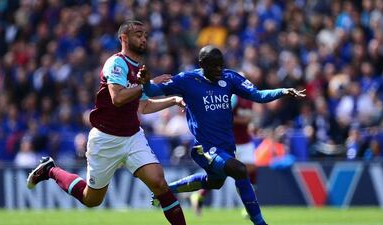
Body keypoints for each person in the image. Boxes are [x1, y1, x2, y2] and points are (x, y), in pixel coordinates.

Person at [27, 20, 187, 225]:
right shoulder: (116, 63)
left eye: (145, 34)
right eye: (138, 34)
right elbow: (118, 98)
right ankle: (50, 170)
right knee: (91, 199)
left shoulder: (139, 68)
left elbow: (143, 107)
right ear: (124, 38)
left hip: (132, 136)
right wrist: (150, 83)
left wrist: (172, 100)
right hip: (106, 139)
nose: (144, 38)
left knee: (159, 184)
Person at [140, 45, 305, 225]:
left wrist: (282, 91)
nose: (219, 70)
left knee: (214, 183)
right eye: (214, 66)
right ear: (202, 64)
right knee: (240, 171)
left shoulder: (229, 77)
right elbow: (151, 92)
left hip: (226, 146)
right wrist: (147, 82)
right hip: (204, 147)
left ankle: (165, 190)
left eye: (221, 65)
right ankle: (259, 222)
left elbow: (258, 95)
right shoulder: (186, 80)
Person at [189, 94, 258, 217]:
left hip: (246, 141)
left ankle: (248, 205)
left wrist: (251, 124)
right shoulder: (232, 97)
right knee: (227, 171)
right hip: (232, 142)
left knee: (251, 169)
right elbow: (223, 116)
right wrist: (242, 120)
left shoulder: (249, 99)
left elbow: (249, 118)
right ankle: (200, 194)